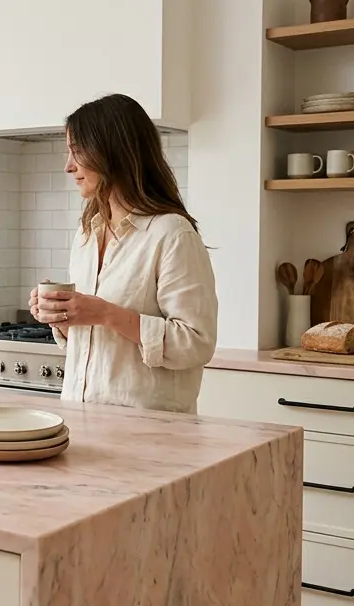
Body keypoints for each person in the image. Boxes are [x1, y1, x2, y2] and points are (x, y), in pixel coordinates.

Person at [29, 94, 218, 414]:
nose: (68, 166)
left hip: (150, 435)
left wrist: (105, 313)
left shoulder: (172, 235)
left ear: (110, 152)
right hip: (81, 422)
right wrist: (60, 317)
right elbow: (91, 341)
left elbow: (196, 343)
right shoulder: (88, 233)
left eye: (77, 151)